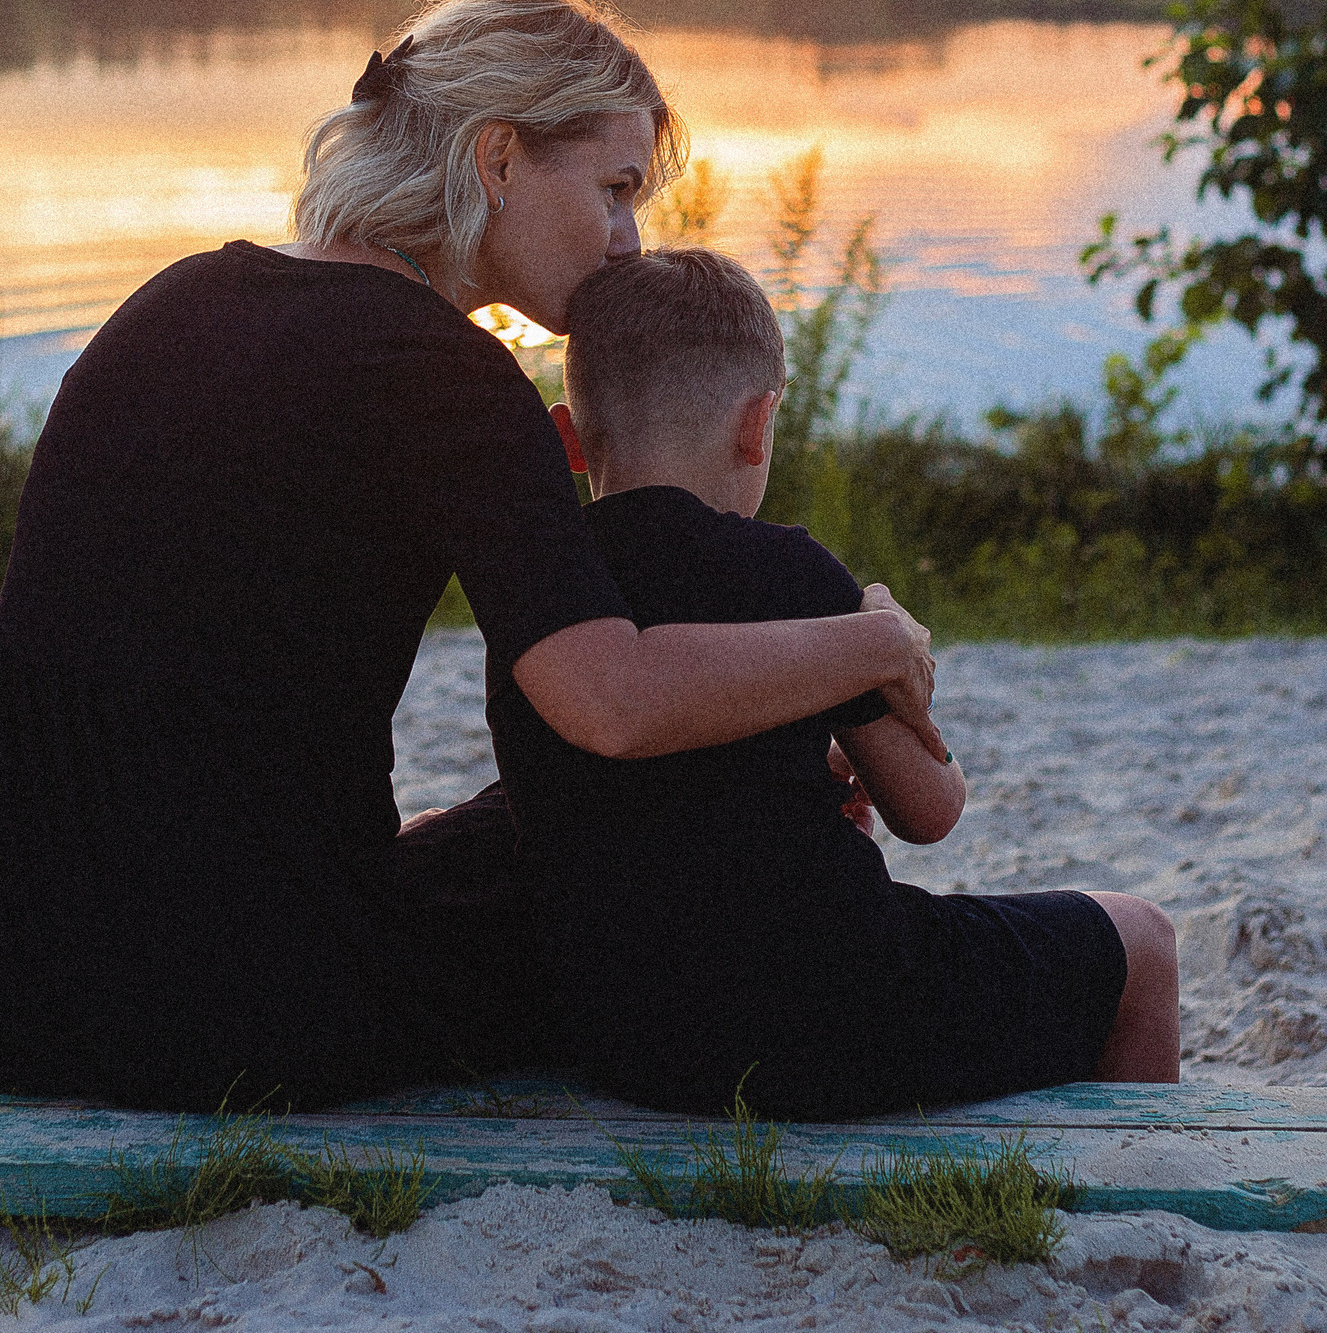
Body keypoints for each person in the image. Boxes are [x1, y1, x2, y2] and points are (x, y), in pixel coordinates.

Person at [0, 0, 941, 1110]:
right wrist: (871, 643)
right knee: (639, 872)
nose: (626, 241)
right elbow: (612, 700)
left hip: (3, 972)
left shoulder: (179, 296)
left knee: (525, 828)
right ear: (496, 158)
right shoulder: (443, 376)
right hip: (217, 1002)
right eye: (612, 190)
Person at [492, 247, 1180, 1119]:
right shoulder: (794, 574)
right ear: (758, 423)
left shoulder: (552, 603)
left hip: (623, 1036)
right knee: (1144, 941)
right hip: (835, 1022)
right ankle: (1144, 1186)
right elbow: (932, 810)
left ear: (569, 441)